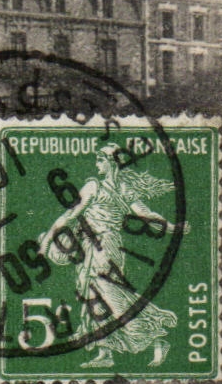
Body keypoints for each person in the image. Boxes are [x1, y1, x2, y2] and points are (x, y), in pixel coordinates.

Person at [35, 142, 175, 368]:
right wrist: (48, 240)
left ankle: (156, 338)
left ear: (111, 163)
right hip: (91, 246)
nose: (96, 164)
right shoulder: (94, 186)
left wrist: (171, 227)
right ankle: (105, 353)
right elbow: (70, 215)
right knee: (91, 296)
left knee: (112, 296)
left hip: (108, 246)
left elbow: (145, 214)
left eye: (100, 160)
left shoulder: (115, 188)